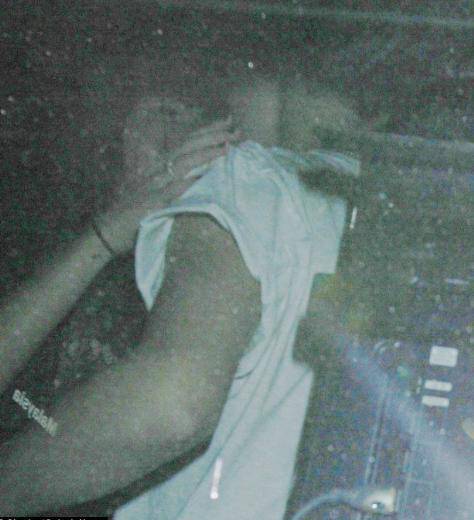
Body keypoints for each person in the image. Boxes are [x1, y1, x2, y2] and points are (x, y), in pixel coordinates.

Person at [0, 67, 361, 518]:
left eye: (197, 109)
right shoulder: (45, 228)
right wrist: (105, 235)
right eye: (163, 112)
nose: (176, 130)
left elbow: (173, 405)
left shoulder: (249, 198)